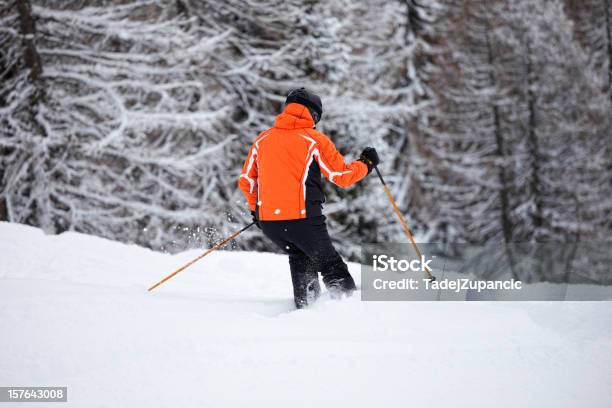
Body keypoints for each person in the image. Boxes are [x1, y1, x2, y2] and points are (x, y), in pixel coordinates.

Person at [238, 87, 380, 308]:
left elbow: (247, 180)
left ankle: (307, 310)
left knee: (301, 256)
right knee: (332, 266)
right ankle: (349, 312)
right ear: (314, 115)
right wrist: (366, 164)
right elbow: (341, 176)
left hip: (270, 223)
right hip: (303, 219)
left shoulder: (263, 139)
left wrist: (256, 209)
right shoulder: (314, 140)